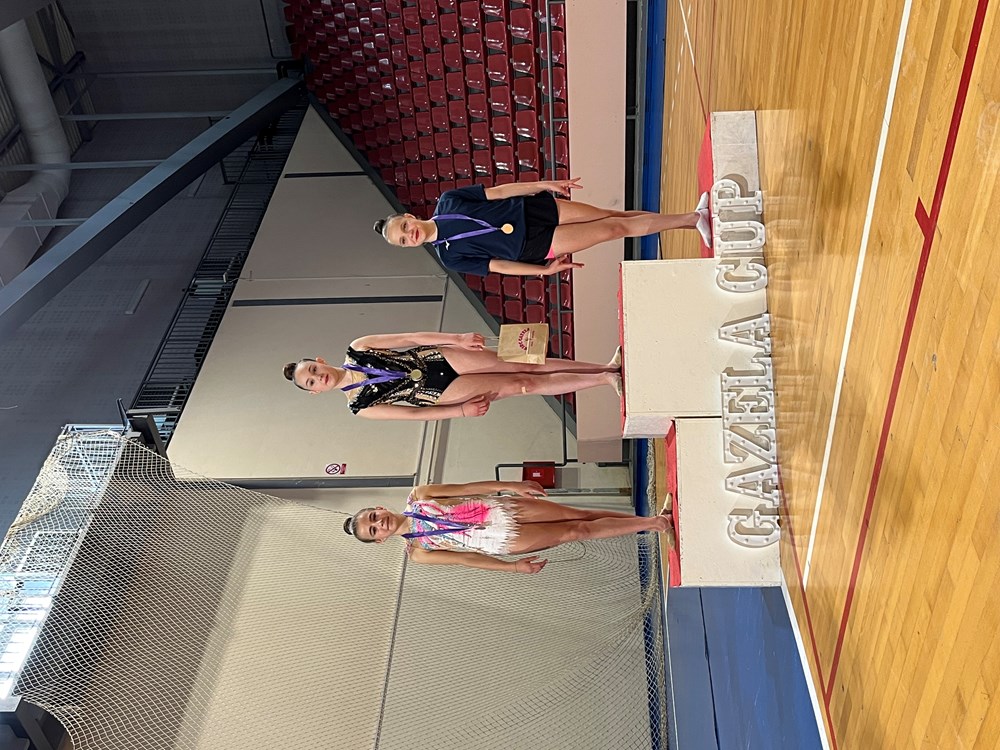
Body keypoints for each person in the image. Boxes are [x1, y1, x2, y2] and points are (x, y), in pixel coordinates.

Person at [372, 177, 712, 277]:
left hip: (533, 210)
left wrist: (543, 184)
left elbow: (499, 192)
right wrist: (542, 271)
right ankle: (693, 219)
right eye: (403, 241)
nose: (409, 235)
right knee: (613, 229)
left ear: (409, 217)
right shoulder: (450, 258)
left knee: (613, 215)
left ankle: (689, 219)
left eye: (404, 228)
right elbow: (500, 266)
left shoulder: (449, 201)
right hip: (533, 244)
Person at [343, 480, 674, 574]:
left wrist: (511, 486)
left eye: (373, 517)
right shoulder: (418, 552)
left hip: (499, 509)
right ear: (380, 540)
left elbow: (466, 488)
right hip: (500, 540)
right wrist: (512, 567)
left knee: (580, 513)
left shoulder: (420, 494)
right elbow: (466, 560)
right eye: (374, 530)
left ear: (379, 508)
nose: (379, 524)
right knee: (575, 531)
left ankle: (653, 520)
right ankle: (656, 523)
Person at [282, 331, 622, 420]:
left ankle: (604, 365)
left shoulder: (358, 347)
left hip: (435, 357)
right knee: (523, 383)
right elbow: (413, 416)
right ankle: (605, 380)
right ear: (315, 392)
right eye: (311, 382)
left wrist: (456, 339)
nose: (318, 377)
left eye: (313, 369)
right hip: (435, 392)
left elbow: (410, 338)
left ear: (320, 360)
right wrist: (460, 410)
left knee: (526, 363)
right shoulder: (359, 407)